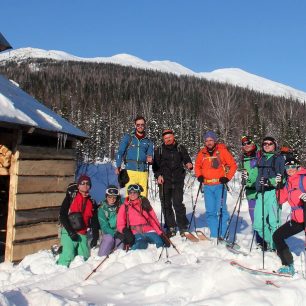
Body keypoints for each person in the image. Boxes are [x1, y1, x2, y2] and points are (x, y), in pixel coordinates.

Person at [195, 131, 237, 239]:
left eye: (211, 140)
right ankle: (214, 234)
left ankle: (222, 234)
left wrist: (227, 177)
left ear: (214, 141)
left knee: (221, 210)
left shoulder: (222, 151)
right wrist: (199, 175)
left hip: (219, 185)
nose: (209, 142)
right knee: (210, 211)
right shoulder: (202, 153)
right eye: (207, 140)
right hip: (208, 186)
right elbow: (197, 166)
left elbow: (233, 165)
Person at [153, 129, 193, 237]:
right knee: (166, 205)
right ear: (163, 139)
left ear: (173, 137)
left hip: (178, 180)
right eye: (165, 138)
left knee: (178, 203)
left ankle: (183, 226)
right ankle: (170, 226)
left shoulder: (180, 148)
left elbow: (186, 158)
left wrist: (188, 163)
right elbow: (155, 166)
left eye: (169, 137)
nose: (168, 139)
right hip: (164, 181)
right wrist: (158, 175)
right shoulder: (159, 150)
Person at [273, 157, 306, 275]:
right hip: (297, 219)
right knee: (277, 236)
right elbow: (281, 200)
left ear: (297, 167)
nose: (290, 169)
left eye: (292, 167)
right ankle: (288, 265)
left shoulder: (304, 178)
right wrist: (279, 185)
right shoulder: (289, 182)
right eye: (287, 167)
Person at [253, 136, 285, 250]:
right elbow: (255, 175)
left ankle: (275, 247)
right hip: (260, 194)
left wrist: (270, 181)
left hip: (273, 193)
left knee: (273, 222)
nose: (267, 145)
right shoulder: (260, 158)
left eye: (270, 143)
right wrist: (246, 178)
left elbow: (283, 178)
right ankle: (272, 242)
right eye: (264, 143)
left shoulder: (279, 158)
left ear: (274, 145)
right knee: (257, 224)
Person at [116, 184, 169, 250]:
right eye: (130, 192)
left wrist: (161, 233)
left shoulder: (144, 203)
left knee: (160, 243)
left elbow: (153, 219)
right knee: (138, 247)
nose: (132, 194)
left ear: (138, 193)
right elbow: (120, 224)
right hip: (136, 233)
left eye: (134, 192)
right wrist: (126, 231)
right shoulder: (124, 206)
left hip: (150, 230)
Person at [57, 175, 94, 267]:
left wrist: (96, 235)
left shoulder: (91, 202)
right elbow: (62, 215)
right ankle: (59, 274)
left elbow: (94, 219)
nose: (85, 185)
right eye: (82, 183)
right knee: (68, 256)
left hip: (82, 233)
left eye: (87, 183)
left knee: (84, 258)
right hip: (69, 231)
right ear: (78, 186)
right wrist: (70, 231)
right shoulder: (71, 197)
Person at [115, 116, 153, 197]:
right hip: (130, 171)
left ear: (145, 125)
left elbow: (150, 155)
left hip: (143, 172)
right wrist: (118, 166)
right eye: (138, 124)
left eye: (142, 124)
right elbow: (120, 152)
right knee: (130, 197)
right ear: (135, 125)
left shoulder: (148, 141)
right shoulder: (128, 138)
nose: (140, 126)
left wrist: (150, 158)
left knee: (143, 197)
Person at [240, 135, 263, 246]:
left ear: (253, 143)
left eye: (248, 143)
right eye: (244, 144)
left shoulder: (260, 154)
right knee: (254, 216)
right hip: (250, 190)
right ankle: (259, 241)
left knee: (263, 215)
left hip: (261, 190)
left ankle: (268, 240)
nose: (246, 145)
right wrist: (244, 178)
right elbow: (246, 171)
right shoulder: (244, 157)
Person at [97, 185, 123, 256]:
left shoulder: (121, 205)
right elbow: (104, 226)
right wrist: (114, 233)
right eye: (109, 197)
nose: (112, 199)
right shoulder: (102, 209)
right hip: (108, 233)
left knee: (120, 251)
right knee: (109, 239)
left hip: (119, 233)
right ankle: (101, 257)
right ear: (106, 197)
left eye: (114, 197)